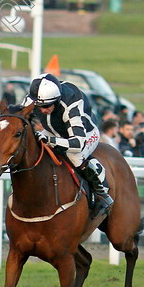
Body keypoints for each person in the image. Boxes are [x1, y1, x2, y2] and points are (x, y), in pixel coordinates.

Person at [27, 73, 113, 218]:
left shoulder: (71, 103)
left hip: (85, 134)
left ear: (56, 100)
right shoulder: (33, 98)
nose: (42, 110)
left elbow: (77, 143)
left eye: (47, 106)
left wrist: (50, 141)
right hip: (55, 131)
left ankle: (102, 193)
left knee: (75, 156)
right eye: (39, 106)